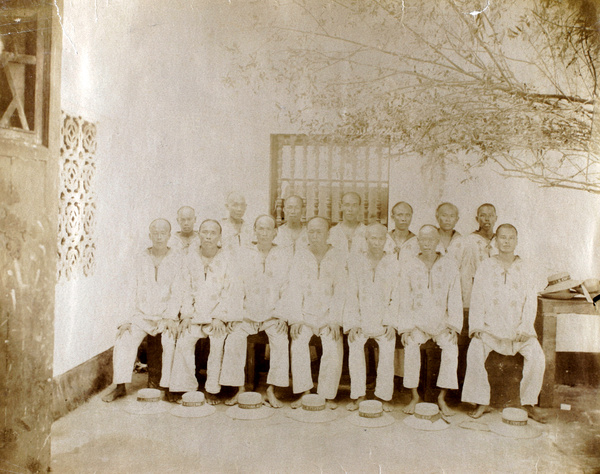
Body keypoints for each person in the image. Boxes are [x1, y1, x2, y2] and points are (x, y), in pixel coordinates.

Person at [461, 224, 547, 423]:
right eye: (502, 238)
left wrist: (525, 328)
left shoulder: (526, 267)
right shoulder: (486, 266)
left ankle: (528, 403)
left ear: (516, 241)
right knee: (474, 351)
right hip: (491, 330)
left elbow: (530, 301)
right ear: (496, 241)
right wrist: (478, 327)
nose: (506, 242)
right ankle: (481, 401)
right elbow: (477, 298)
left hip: (518, 332)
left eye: (511, 238)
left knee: (537, 356)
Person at [102, 219, 182, 402]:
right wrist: (126, 320)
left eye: (163, 232)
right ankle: (120, 386)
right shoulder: (140, 258)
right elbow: (130, 290)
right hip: (141, 316)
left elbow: (178, 291)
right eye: (155, 232)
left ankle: (169, 387)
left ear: (169, 235)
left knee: (170, 343)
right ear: (150, 235)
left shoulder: (177, 259)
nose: (159, 236)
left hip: (165, 317)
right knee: (124, 339)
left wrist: (170, 317)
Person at [219, 215, 293, 408]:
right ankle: (239, 389)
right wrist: (236, 315)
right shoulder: (244, 254)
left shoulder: (284, 255)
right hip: (247, 313)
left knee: (281, 340)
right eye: (260, 228)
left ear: (275, 232)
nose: (264, 232)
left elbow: (287, 287)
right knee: (234, 338)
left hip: (273, 314)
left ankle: (271, 389)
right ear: (254, 230)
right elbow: (236, 285)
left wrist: (281, 316)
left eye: (268, 229)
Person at [395, 225, 463, 416]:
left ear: (437, 241)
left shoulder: (449, 264)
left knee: (451, 348)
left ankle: (442, 397)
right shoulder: (409, 264)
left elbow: (455, 297)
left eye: (431, 239)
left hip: (442, 323)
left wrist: (453, 326)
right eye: (423, 239)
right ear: (418, 241)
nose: (426, 243)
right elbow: (404, 297)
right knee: (410, 347)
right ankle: (414, 395)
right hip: (417, 323)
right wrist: (406, 327)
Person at [169, 219, 237, 405]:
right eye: (204, 232)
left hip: (216, 318)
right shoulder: (190, 259)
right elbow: (184, 289)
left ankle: (212, 389)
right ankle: (185, 386)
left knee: (217, 342)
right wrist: (187, 315)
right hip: (194, 316)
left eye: (212, 232)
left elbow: (230, 291)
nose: (208, 236)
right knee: (183, 340)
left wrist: (219, 317)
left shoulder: (228, 259)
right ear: (199, 235)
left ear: (219, 237)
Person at [286, 216, 347, 409]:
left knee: (332, 347)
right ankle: (305, 392)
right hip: (305, 315)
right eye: (311, 231)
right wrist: (296, 319)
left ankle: (327, 395)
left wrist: (335, 320)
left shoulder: (337, 256)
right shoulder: (300, 255)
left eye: (319, 231)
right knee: (298, 345)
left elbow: (341, 290)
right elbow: (294, 289)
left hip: (329, 316)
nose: (314, 235)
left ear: (328, 234)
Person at [344, 223, 399, 412]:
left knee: (387, 346)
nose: (376, 242)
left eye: (380, 238)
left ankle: (383, 396)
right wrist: (353, 323)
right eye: (372, 238)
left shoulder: (393, 262)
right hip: (362, 319)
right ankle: (359, 395)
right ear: (366, 240)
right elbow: (352, 294)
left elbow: (397, 295)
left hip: (383, 321)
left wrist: (391, 323)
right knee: (355, 344)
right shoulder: (357, 262)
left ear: (386, 240)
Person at [463, 203, 498, 307]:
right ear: (477, 219)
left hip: (497, 291)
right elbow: (466, 272)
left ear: (496, 218)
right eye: (483, 215)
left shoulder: (500, 240)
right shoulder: (470, 241)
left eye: (491, 215)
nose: (487, 219)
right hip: (477, 292)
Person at [435, 202, 470, 306]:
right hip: (433, 291)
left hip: (455, 293)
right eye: (444, 215)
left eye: (452, 216)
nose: (447, 219)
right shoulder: (429, 239)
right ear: (437, 217)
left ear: (457, 219)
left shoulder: (463, 242)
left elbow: (466, 273)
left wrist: (466, 302)